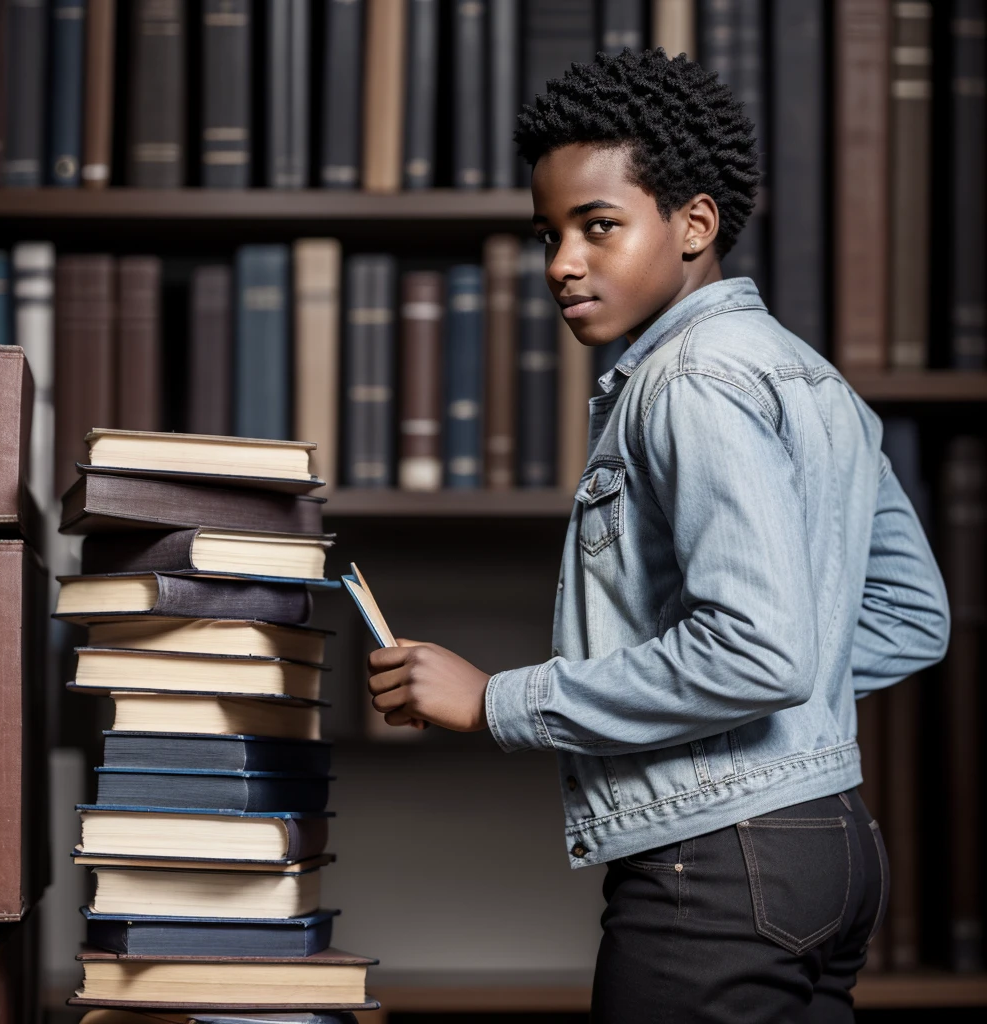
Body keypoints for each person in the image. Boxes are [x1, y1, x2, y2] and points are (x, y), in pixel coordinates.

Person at [366, 48, 949, 1022]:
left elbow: (761, 653)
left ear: (694, 224)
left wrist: (493, 700)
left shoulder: (685, 384)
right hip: (831, 846)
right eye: (547, 233)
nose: (560, 262)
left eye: (597, 226)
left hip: (718, 865)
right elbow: (911, 616)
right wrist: (781, 713)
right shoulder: (809, 377)